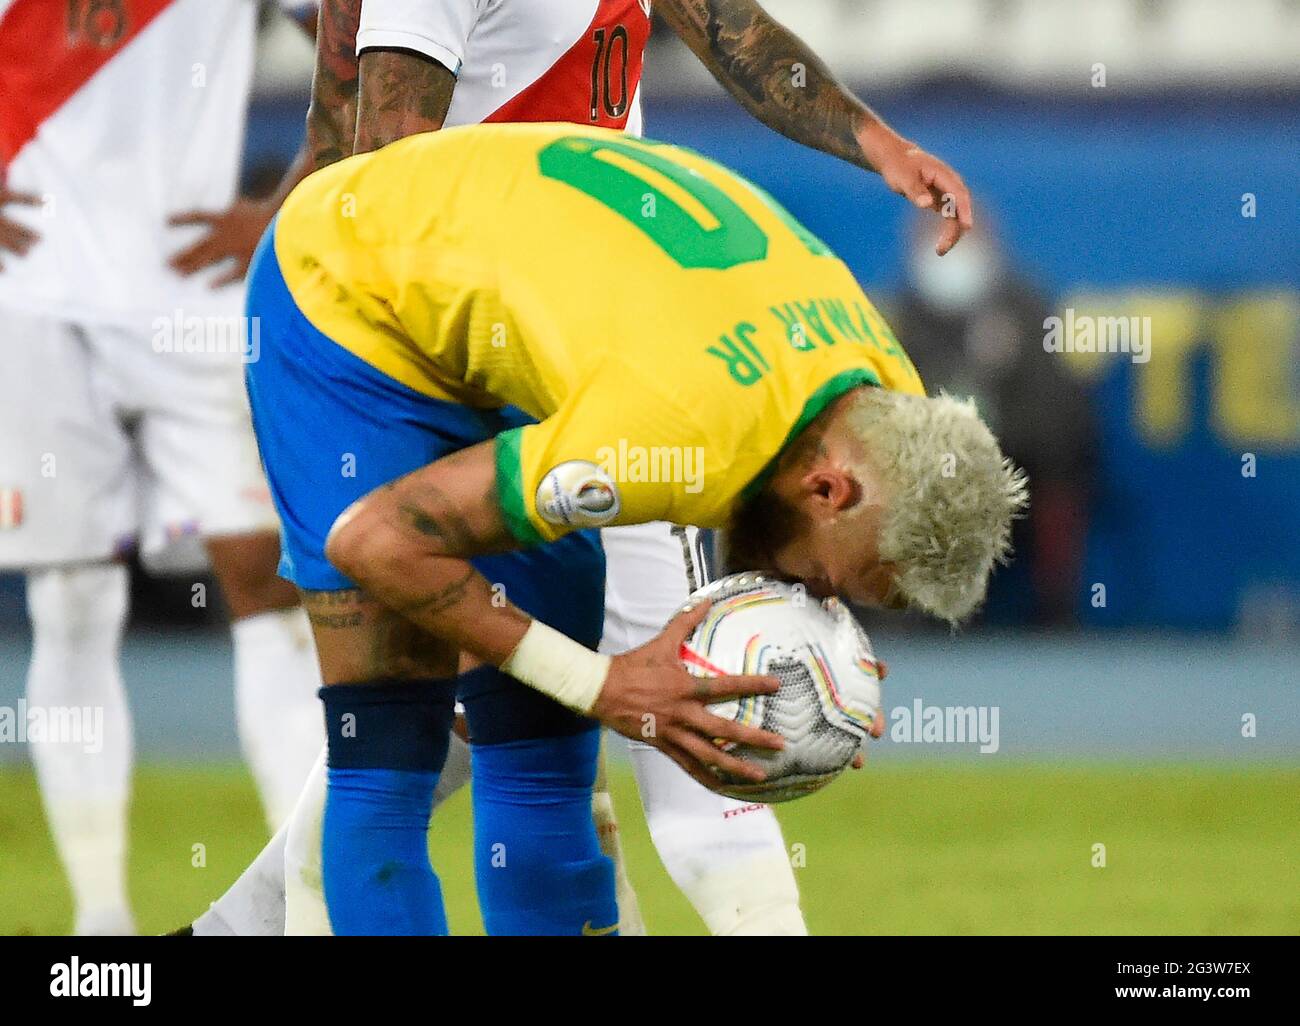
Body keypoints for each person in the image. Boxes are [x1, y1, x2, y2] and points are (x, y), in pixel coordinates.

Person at [184, 0, 976, 939]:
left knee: (532, 729)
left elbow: (726, 24)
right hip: (394, 339)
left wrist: (874, 140)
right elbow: (375, 172)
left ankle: (231, 931)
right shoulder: (684, 418)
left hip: (578, 346)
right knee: (400, 725)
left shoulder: (852, 387)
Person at [0, 0, 322, 935]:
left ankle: (302, 903)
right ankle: (101, 916)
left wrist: (287, 200)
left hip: (192, 287)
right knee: (70, 596)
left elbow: (356, 41)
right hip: (31, 297)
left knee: (266, 582)